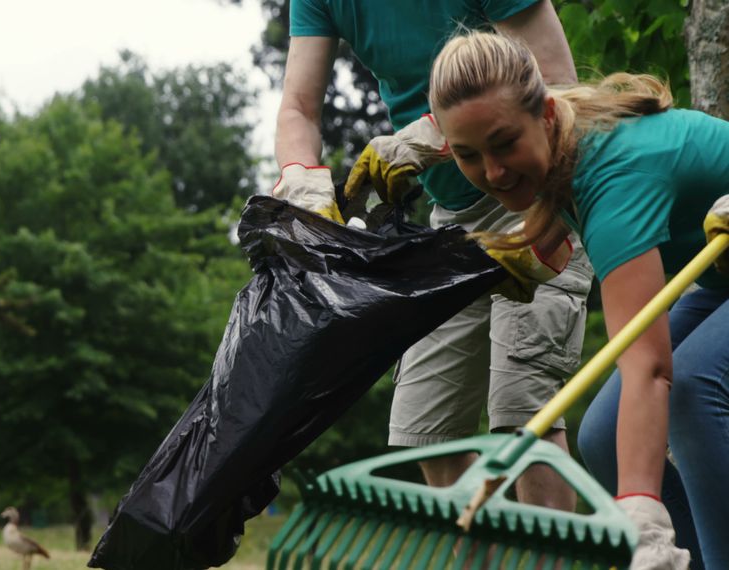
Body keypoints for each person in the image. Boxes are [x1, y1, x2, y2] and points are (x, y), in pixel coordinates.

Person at [272, 0, 594, 513]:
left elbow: (559, 83)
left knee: (523, 416)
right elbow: (298, 109)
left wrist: (431, 134)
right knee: (426, 432)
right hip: (450, 220)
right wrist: (300, 175)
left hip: (539, 197)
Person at [427, 30, 729, 569]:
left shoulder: (614, 178)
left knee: (690, 384)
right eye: (469, 156)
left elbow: (650, 368)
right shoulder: (563, 136)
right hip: (721, 281)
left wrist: (640, 515)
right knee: (602, 434)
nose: (493, 173)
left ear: (544, 114)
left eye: (503, 143)